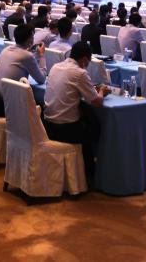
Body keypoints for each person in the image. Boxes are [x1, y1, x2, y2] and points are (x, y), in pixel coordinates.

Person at [42, 41, 107, 185]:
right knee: (95, 129)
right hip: (65, 130)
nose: (87, 65)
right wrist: (102, 91)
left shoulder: (55, 66)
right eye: (88, 62)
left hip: (47, 126)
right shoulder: (80, 73)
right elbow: (97, 102)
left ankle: (87, 170)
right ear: (84, 59)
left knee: (86, 119)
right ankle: (90, 174)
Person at [0, 24, 46, 96]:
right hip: (9, 99)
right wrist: (41, 55)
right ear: (30, 40)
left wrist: (27, 51)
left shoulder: (6, 49)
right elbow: (41, 79)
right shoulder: (27, 56)